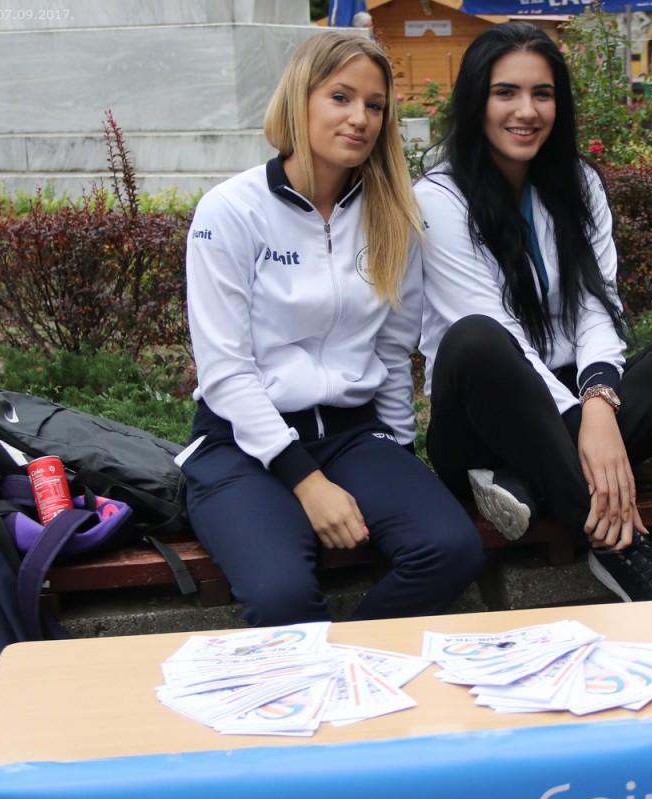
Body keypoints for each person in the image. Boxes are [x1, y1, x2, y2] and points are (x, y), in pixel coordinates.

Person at [414, 22, 652, 603]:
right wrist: (588, 426)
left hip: (574, 396)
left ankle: (529, 480)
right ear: (476, 100)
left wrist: (599, 403)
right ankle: (622, 552)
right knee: (477, 338)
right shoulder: (438, 199)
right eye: (506, 93)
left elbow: (597, 308)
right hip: (480, 418)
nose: (526, 111)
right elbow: (497, 330)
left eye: (542, 94)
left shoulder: (578, 184)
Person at [181, 32, 484, 627]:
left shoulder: (392, 214)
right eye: (341, 97)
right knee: (282, 596)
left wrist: (399, 458)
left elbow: (392, 352)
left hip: (352, 436)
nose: (360, 118)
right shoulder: (231, 211)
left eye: (375, 105)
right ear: (300, 99)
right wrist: (307, 482)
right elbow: (226, 371)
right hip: (242, 446)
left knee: (451, 550)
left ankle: (353, 666)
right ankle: (318, 674)